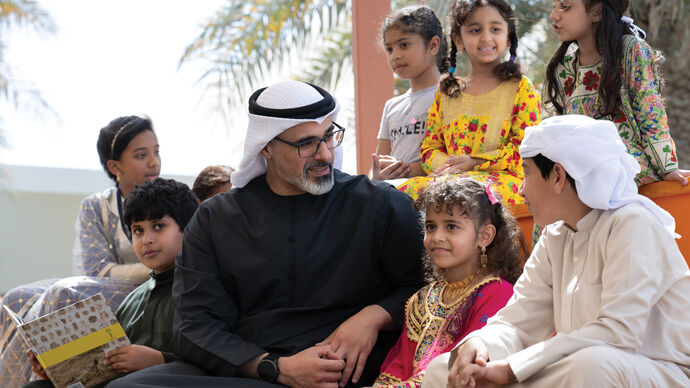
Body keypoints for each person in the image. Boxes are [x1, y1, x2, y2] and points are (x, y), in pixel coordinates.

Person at [106, 80, 425, 388]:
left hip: (340, 369)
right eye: (306, 143)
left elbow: (429, 285)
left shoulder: (377, 203)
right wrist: (276, 367)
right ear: (267, 147)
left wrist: (374, 317)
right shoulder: (216, 219)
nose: (325, 154)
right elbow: (194, 325)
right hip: (252, 367)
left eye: (329, 136)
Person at [422, 115, 690, 388]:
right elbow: (518, 324)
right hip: (579, 368)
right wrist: (480, 345)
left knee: (594, 366)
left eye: (526, 172)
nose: (522, 189)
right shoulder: (556, 235)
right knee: (443, 370)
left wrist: (511, 369)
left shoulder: (633, 223)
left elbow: (618, 333)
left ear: (558, 176)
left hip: (658, 372)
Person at [0, 115, 161, 387]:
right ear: (114, 166)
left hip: (150, 290)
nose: (154, 162)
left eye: (156, 152)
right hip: (102, 285)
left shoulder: (168, 198)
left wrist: (152, 270)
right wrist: (146, 268)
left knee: (66, 292)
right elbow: (96, 271)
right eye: (141, 155)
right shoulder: (96, 206)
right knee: (14, 298)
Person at [23, 178, 199, 388]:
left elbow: (216, 363)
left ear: (189, 228)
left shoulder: (200, 290)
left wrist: (160, 361)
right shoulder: (134, 300)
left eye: (159, 226)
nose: (146, 239)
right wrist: (56, 368)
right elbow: (103, 366)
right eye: (138, 230)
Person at [372, 178, 521, 388]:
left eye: (451, 226)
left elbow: (461, 369)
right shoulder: (423, 298)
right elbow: (399, 365)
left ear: (485, 236)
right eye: (431, 226)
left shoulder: (498, 294)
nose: (437, 236)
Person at [397, 0, 541, 205]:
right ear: (458, 40)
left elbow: (526, 150)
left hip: (501, 183)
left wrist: (475, 162)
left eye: (495, 29)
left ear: (508, 37)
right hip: (450, 179)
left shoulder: (520, 88)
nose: (486, 37)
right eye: (475, 30)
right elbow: (429, 149)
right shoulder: (447, 92)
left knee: (468, 194)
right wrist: (453, 166)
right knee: (400, 192)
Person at [545, 0, 688, 186]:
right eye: (554, 6)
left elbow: (650, 113)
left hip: (632, 178)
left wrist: (667, 168)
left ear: (596, 12)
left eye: (565, 6)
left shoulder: (631, 50)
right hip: (582, 183)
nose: (554, 15)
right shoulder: (564, 69)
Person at [371, 5, 446, 181]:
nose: (395, 55)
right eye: (389, 49)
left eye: (404, 45)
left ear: (433, 45)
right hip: (394, 198)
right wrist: (376, 176)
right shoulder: (392, 106)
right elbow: (378, 163)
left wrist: (405, 170)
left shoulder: (450, 96)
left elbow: (454, 157)